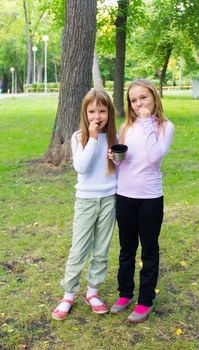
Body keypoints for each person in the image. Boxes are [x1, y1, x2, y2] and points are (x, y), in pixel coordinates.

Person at [108, 79, 175, 323]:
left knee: (149, 250)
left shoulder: (164, 126)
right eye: (134, 100)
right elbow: (125, 160)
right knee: (126, 249)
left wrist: (147, 122)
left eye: (143, 98)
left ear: (154, 97)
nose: (138, 104)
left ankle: (145, 299)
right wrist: (115, 158)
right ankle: (125, 293)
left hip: (150, 198)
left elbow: (154, 157)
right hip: (125, 195)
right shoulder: (126, 126)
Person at [52, 89, 117, 321]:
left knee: (101, 249)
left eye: (102, 110)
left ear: (109, 112)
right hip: (86, 200)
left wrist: (119, 160)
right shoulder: (79, 136)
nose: (97, 115)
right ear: (85, 113)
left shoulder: (115, 137)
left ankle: (93, 291)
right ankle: (69, 293)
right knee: (79, 248)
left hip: (109, 199)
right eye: (92, 111)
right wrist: (93, 138)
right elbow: (81, 167)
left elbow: (119, 169)